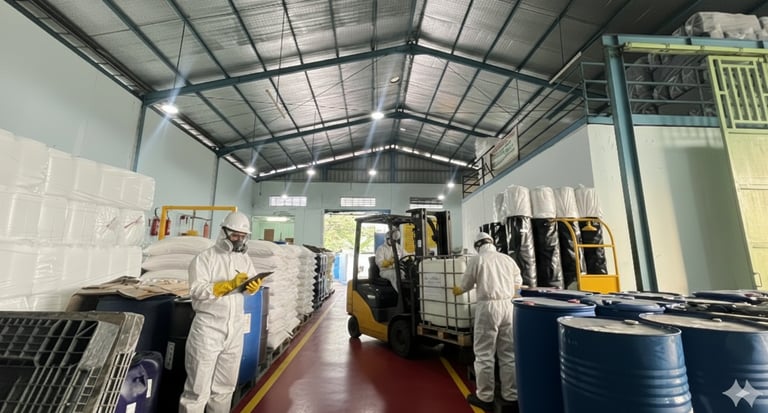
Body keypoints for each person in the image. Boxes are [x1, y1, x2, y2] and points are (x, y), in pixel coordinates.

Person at [179, 211, 263, 413]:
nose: (239, 240)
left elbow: (250, 280)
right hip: (208, 329)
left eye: (243, 236)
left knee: (225, 388)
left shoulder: (244, 259)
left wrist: (253, 287)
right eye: (235, 235)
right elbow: (197, 290)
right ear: (223, 232)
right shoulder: (204, 259)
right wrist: (224, 286)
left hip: (235, 329)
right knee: (197, 391)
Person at [453, 232, 521, 412]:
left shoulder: (477, 259)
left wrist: (459, 289)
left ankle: (485, 397)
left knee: (484, 353)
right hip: (509, 306)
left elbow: (467, 283)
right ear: (492, 242)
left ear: (477, 246)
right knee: (508, 354)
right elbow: (518, 281)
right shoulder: (507, 259)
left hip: (488, 308)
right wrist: (512, 294)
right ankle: (511, 395)